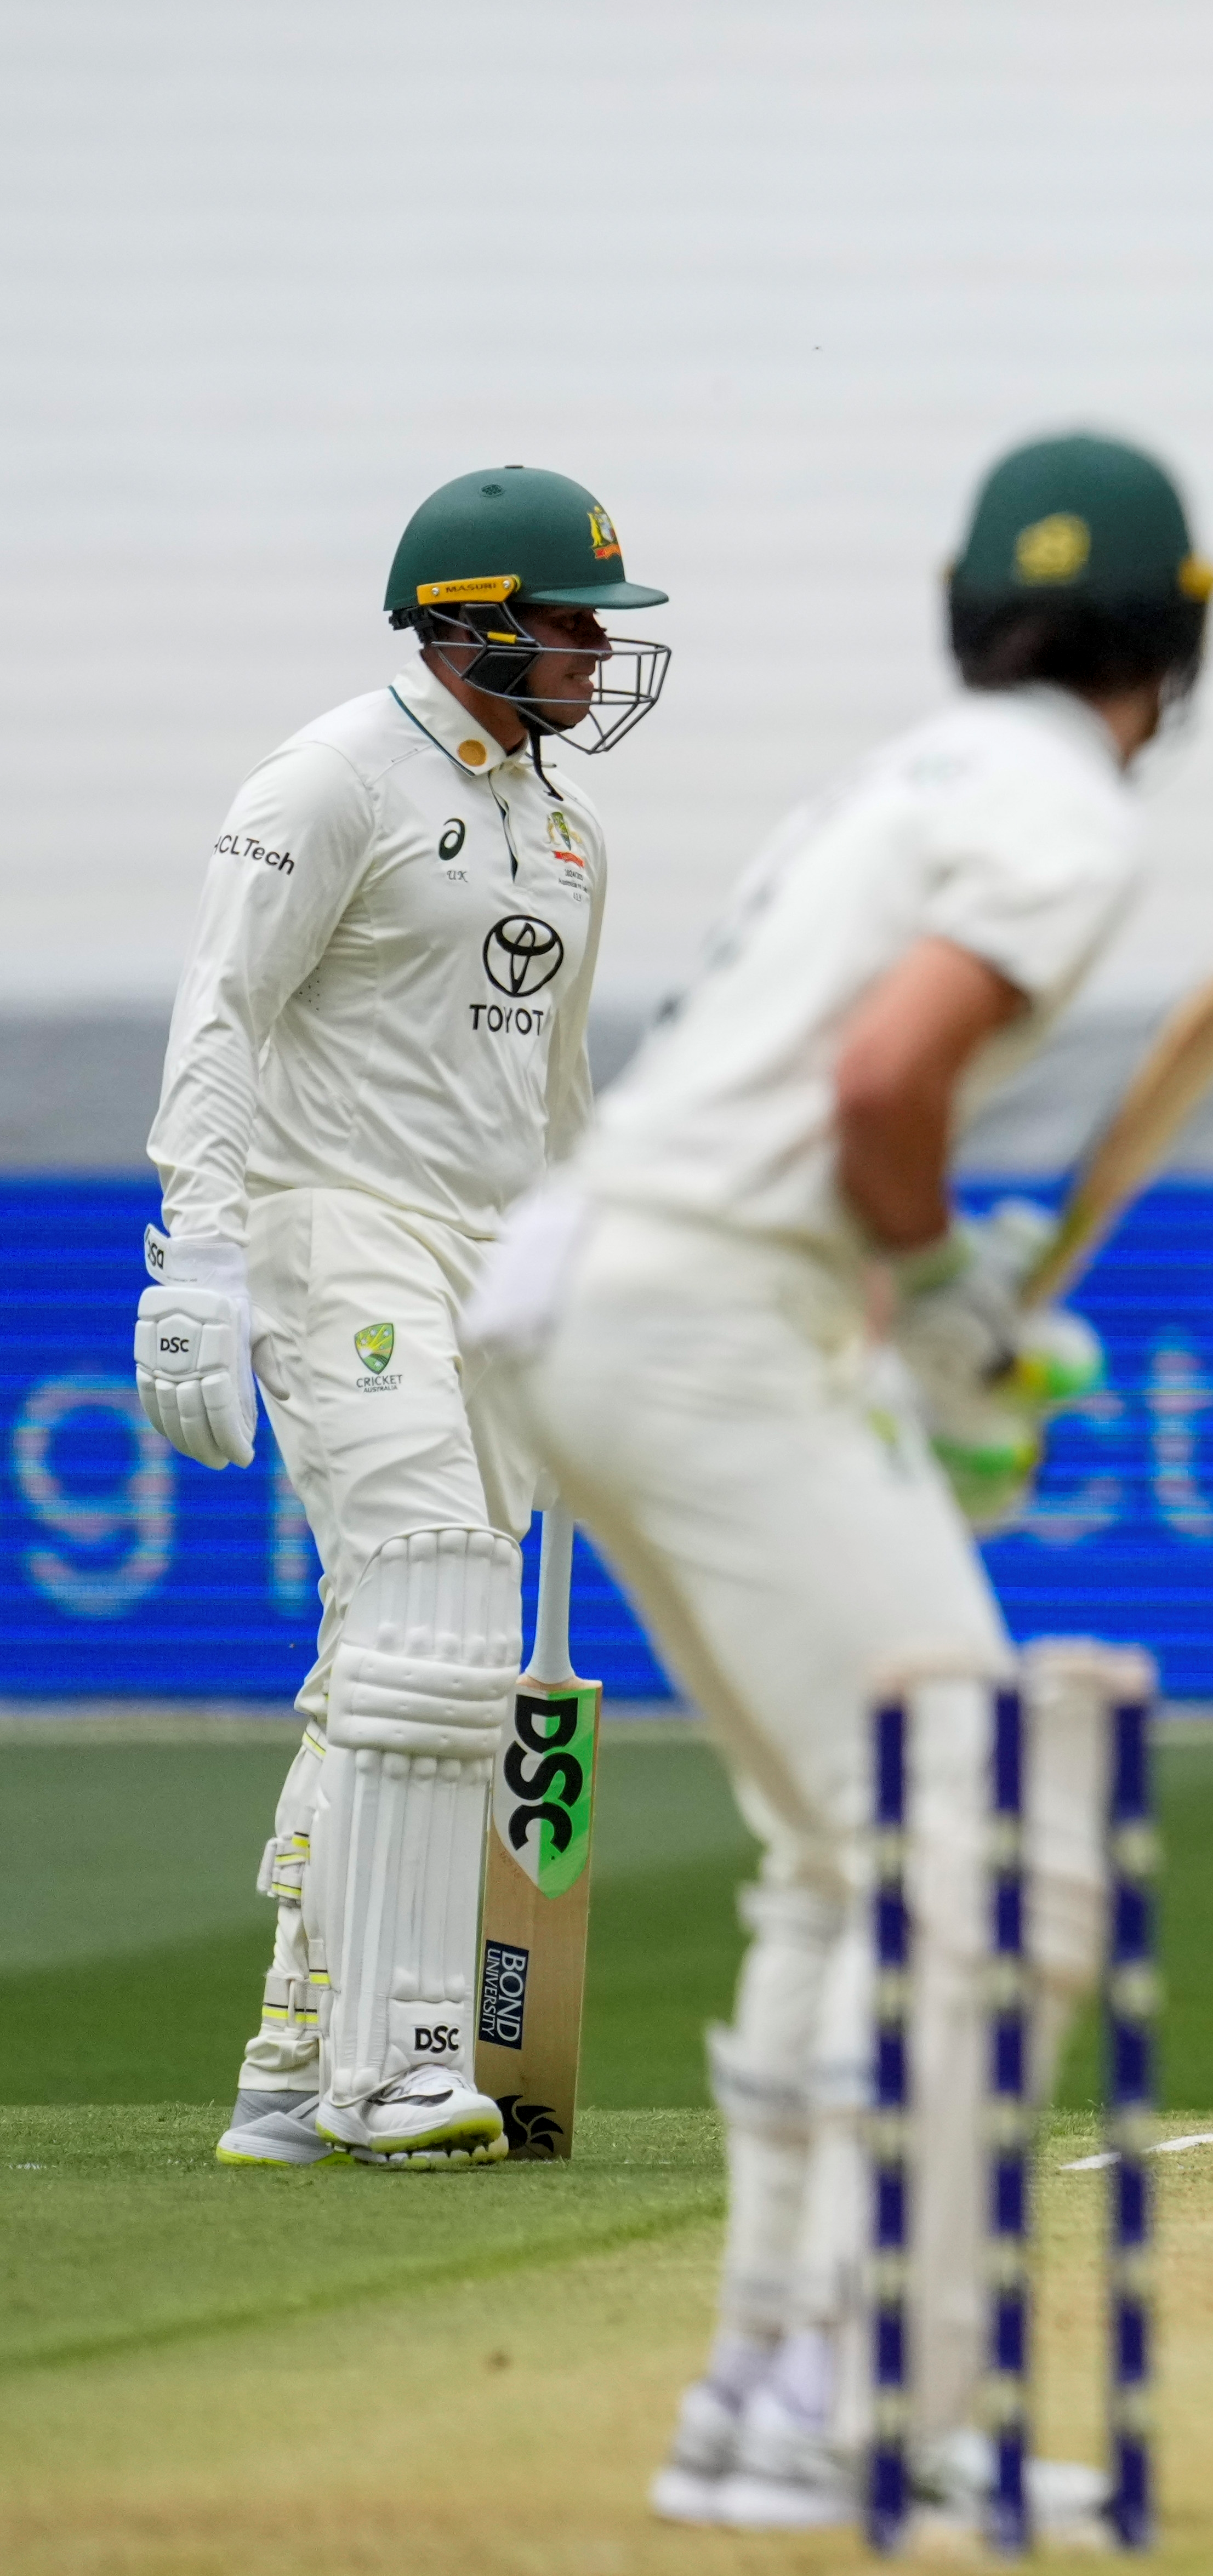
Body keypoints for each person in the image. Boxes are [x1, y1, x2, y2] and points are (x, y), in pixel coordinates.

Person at [469, 432, 1209, 2529]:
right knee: (992, 1848)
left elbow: (802, 1095)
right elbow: (886, 1092)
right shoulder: (1065, 810)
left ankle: (769, 2398)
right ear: (1181, 645)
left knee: (839, 1849)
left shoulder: (887, 787)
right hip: (708, 1310)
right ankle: (878, 2404)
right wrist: (945, 1299)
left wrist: (931, 1302)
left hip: (605, 1286)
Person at [140, 466, 668, 2168]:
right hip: (332, 1222)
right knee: (441, 1589)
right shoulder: (331, 779)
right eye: (574, 622)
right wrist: (199, 1261)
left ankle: (292, 2062)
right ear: (470, 623)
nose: (598, 653)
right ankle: (399, 2065)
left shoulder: (569, 833)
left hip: (486, 1256)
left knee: (391, 1649)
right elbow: (223, 1011)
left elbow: (560, 1089)